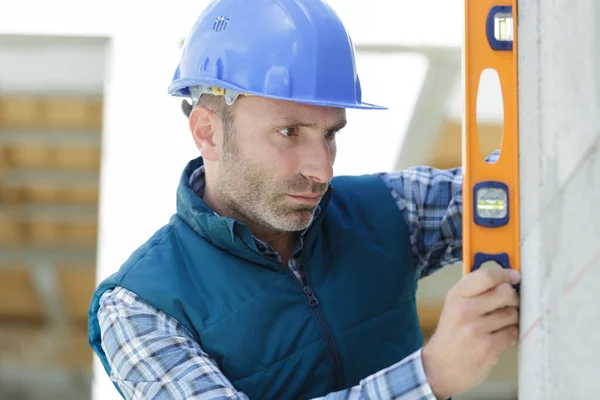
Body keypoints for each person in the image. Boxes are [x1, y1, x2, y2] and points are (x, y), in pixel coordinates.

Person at [88, 0, 521, 399]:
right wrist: (430, 376)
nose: (323, 170)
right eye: (288, 132)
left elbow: (517, 185)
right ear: (208, 132)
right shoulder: (141, 307)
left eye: (330, 134)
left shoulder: (387, 209)